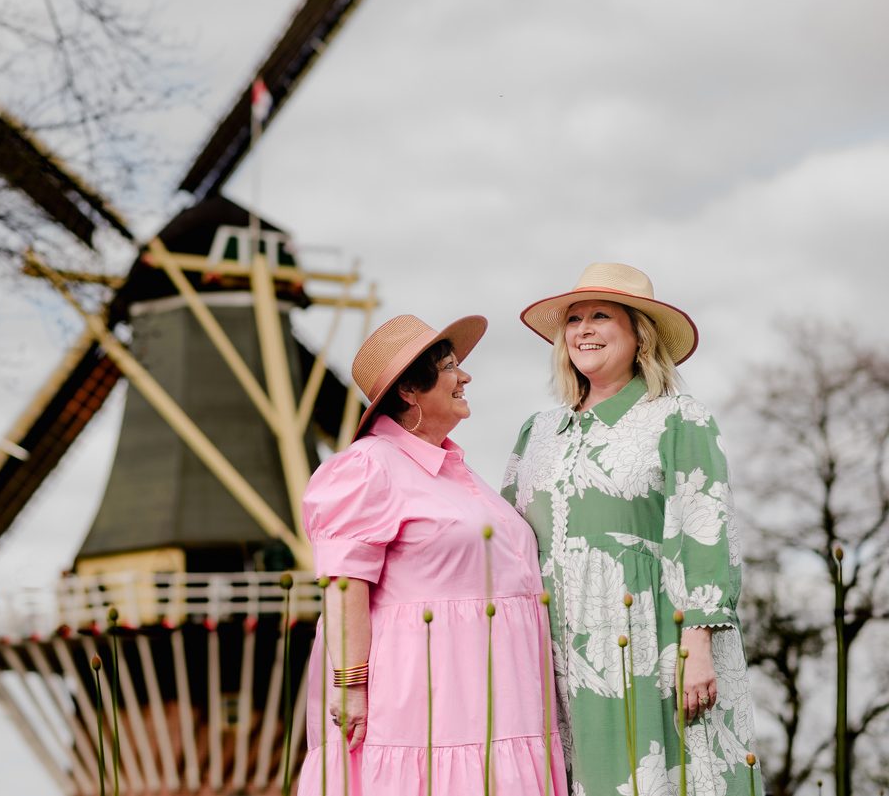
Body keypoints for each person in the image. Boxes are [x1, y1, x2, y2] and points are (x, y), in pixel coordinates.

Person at [502, 263, 760, 795]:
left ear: (639, 335)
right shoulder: (538, 430)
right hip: (546, 644)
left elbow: (704, 526)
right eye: (574, 319)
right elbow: (507, 535)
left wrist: (698, 647)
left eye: (601, 316)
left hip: (645, 637)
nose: (584, 329)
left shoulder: (676, 418)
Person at [298, 314, 567, 796]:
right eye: (448, 366)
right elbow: (344, 586)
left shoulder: (456, 471)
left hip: (500, 698)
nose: (464, 376)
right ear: (409, 390)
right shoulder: (366, 468)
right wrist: (349, 684)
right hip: (421, 699)